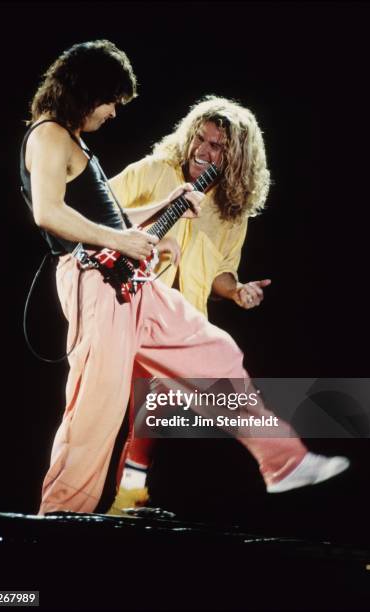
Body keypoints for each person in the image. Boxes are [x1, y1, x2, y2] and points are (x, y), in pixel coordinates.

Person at [21, 40, 349, 515]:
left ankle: (283, 462)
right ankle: (57, 521)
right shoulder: (49, 135)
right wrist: (126, 241)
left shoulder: (71, 141)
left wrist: (160, 210)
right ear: (89, 89)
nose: (114, 112)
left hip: (130, 283)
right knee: (97, 412)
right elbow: (48, 213)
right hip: (97, 281)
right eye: (113, 100)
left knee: (215, 352)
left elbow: (108, 214)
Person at [108, 96, 275, 508]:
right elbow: (99, 207)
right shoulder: (156, 171)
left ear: (235, 157)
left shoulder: (232, 211)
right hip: (124, 302)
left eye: (217, 146)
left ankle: (126, 502)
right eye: (200, 139)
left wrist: (236, 291)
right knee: (116, 414)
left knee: (150, 419)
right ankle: (107, 503)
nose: (203, 150)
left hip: (178, 323)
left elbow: (222, 271)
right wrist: (148, 232)